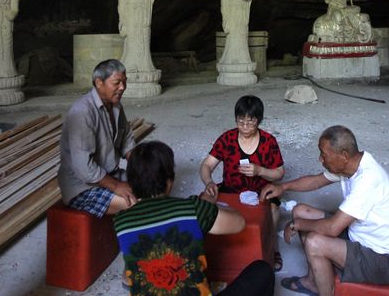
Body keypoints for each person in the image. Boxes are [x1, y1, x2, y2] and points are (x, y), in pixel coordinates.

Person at [260, 125, 389, 296]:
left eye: (324, 155)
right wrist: (283, 186)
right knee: (301, 210)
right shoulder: (351, 165)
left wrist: (297, 225)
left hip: (384, 261)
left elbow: (333, 228)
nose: (320, 159)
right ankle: (312, 282)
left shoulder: (368, 180)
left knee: (314, 242)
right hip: (360, 236)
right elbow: (316, 181)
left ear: (344, 155)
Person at [114, 141, 275, 295]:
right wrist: (209, 205)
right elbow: (238, 223)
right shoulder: (192, 208)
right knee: (262, 271)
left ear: (132, 183)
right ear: (170, 181)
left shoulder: (121, 221)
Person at [199, 95, 285, 269]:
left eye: (250, 123)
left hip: (261, 190)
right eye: (241, 122)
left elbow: (279, 173)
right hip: (230, 188)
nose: (245, 127)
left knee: (274, 208)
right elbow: (206, 165)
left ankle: (272, 247)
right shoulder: (227, 139)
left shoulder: (268, 141)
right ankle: (208, 251)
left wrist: (260, 170)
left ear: (258, 121)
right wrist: (209, 182)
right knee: (204, 202)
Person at [59, 59, 137, 216]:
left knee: (160, 183)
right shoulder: (82, 112)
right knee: (135, 204)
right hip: (83, 186)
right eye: (117, 83)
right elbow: (84, 169)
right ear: (99, 82)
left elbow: (126, 142)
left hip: (110, 175)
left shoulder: (115, 106)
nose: (122, 87)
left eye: (124, 82)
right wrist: (116, 186)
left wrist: (142, 167)